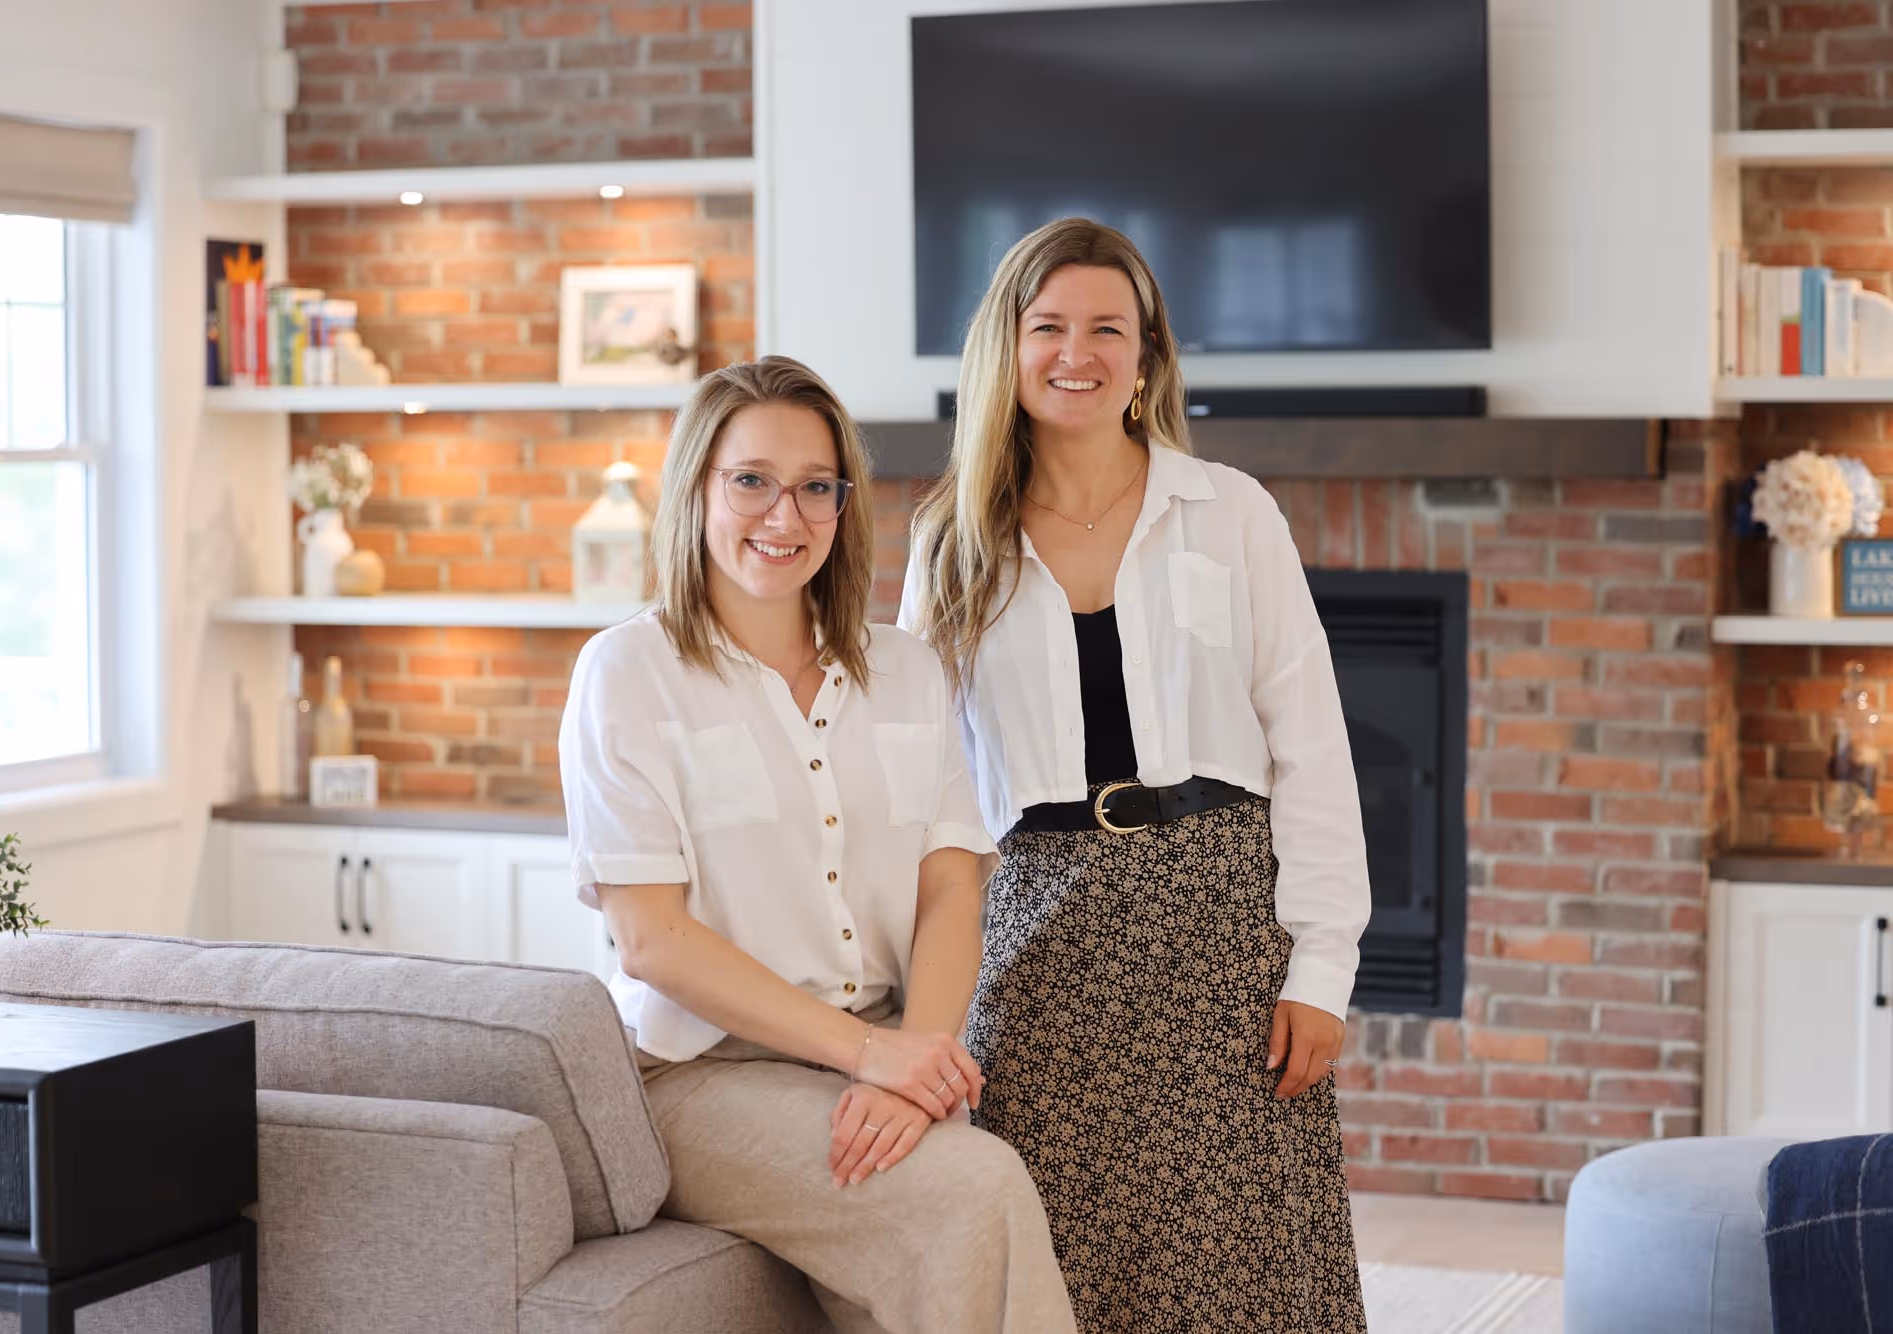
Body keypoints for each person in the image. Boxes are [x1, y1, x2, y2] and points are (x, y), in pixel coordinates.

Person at [901, 218, 1371, 1332]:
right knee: (1059, 1261)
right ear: (1004, 350)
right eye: (1048, 325)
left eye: (1107, 327)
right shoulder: (950, 542)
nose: (1078, 350)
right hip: (1037, 936)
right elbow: (918, 787)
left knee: (1242, 1261)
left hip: (1221, 933)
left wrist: (1321, 963)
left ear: (1148, 355)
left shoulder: (1231, 512)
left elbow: (1310, 741)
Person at [559, 355, 1077, 1334]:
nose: (782, 516)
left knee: (938, 1214)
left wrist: (917, 1052)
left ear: (844, 503)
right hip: (702, 1074)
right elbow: (651, 940)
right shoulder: (627, 671)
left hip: (884, 1035)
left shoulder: (907, 668)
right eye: (749, 480)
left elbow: (950, 890)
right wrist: (869, 1055)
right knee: (972, 1187)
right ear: (696, 488)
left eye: (814, 487)